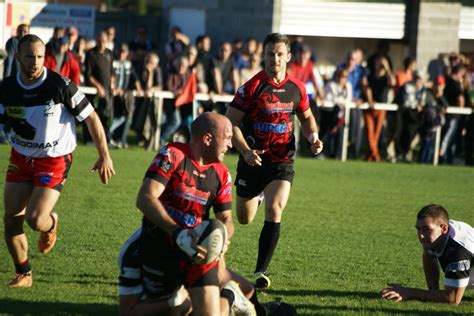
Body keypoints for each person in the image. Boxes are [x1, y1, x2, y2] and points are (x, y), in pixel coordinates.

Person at [0, 34, 115, 288]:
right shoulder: (7, 88)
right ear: (18, 56)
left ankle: (51, 222)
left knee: (35, 219)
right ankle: (24, 273)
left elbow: (92, 118)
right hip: (21, 157)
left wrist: (104, 154)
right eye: (29, 56)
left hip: (54, 160)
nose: (35, 62)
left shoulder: (60, 85)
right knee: (11, 218)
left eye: (40, 56)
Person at [226, 33, 323, 289]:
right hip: (252, 159)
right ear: (264, 56)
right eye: (270, 54)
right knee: (245, 218)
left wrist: (313, 137)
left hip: (282, 160)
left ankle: (261, 271)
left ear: (288, 57)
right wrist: (246, 151)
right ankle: (256, 195)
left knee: (275, 209)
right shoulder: (251, 87)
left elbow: (306, 117)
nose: (275, 59)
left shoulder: (297, 88)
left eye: (280, 54)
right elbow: (230, 122)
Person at [135, 112, 254, 315]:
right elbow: (145, 198)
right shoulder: (173, 155)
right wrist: (177, 232)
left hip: (197, 255)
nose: (230, 145)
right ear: (207, 139)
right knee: (175, 310)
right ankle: (209, 297)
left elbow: (226, 219)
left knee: (230, 301)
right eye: (227, 138)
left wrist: (223, 235)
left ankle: (229, 296)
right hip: (160, 250)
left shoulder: (222, 174)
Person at [382, 204, 474, 304]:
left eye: (426, 229)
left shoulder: (457, 251)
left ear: (444, 229)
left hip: (466, 257)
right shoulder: (440, 231)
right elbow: (428, 253)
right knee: (429, 248)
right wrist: (433, 292)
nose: (420, 236)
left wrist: (408, 292)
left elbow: (453, 298)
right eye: (418, 229)